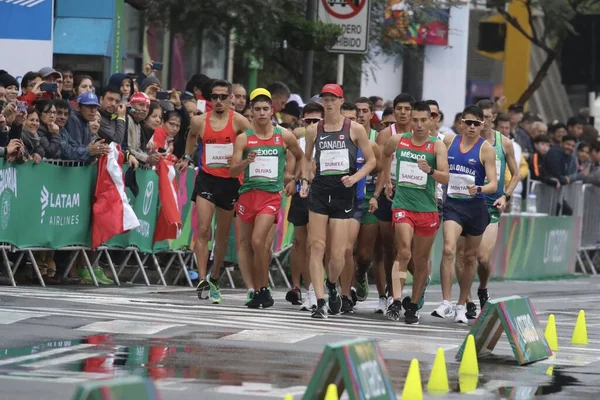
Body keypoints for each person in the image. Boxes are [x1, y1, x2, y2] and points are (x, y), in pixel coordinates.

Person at [301, 83, 376, 319]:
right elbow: (306, 158)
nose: (329, 102)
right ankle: (320, 301)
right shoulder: (314, 130)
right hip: (321, 189)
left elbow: (372, 161)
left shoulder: (354, 129)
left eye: (333, 98)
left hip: (344, 191)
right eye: (325, 98)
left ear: (341, 101)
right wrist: (305, 180)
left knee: (338, 254)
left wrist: (355, 177)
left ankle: (332, 285)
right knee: (316, 246)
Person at [176, 80, 251, 304]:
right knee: (203, 230)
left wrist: (239, 156)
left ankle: (215, 275)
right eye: (214, 97)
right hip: (206, 180)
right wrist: (187, 157)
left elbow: (255, 141)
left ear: (230, 98)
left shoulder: (239, 121)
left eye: (222, 96)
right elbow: (190, 137)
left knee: (220, 236)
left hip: (230, 182)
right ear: (210, 100)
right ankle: (201, 278)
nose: (218, 101)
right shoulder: (199, 121)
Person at [230, 88, 303, 308]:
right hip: (247, 195)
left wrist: (294, 181)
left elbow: (303, 158)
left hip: (271, 197)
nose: (262, 113)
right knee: (246, 244)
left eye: (265, 109)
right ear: (251, 112)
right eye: (257, 109)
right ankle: (256, 289)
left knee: (258, 241)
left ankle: (263, 288)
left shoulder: (284, 135)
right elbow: (233, 170)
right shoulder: (244, 139)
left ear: (272, 111)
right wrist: (246, 162)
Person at [380, 102, 449, 324]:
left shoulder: (437, 146)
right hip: (403, 205)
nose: (419, 125)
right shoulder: (398, 140)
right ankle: (397, 300)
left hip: (427, 209)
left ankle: (413, 304)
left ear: (431, 120)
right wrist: (387, 182)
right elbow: (385, 154)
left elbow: (446, 177)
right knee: (403, 252)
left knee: (420, 261)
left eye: (423, 120)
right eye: (415, 120)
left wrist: (430, 171)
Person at [455, 99, 520, 319]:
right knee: (462, 254)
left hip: (490, 204)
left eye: (485, 117)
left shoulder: (504, 144)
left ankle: (482, 286)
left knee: (482, 257)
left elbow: (516, 173)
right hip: (464, 202)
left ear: (492, 118)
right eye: (476, 118)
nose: (479, 122)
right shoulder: (463, 140)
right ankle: (467, 299)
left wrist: (505, 195)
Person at [432, 105, 497, 323]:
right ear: (461, 123)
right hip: (453, 205)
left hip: (476, 207)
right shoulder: (449, 142)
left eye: (476, 124)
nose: (471, 127)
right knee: (449, 249)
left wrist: (479, 189)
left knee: (470, 258)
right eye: (467, 122)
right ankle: (446, 302)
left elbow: (494, 183)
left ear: (482, 126)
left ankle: (462, 304)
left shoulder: (486, 149)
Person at [371, 93, 414, 311]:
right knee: (389, 246)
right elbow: (380, 168)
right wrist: (378, 193)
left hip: (413, 194)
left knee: (405, 248)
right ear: (394, 110)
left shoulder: (421, 133)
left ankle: (405, 292)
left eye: (407, 109)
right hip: (390, 191)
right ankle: (389, 291)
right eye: (399, 109)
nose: (403, 113)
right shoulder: (385, 135)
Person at [338, 102, 381, 313]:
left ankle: (346, 292)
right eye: (345, 119)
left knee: (352, 251)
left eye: (352, 119)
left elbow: (379, 165)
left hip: (356, 201)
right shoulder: (328, 139)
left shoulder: (368, 144)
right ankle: (329, 289)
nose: (349, 123)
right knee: (330, 250)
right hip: (329, 201)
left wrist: (376, 190)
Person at [285, 102, 324, 310]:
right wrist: (295, 179)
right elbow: (288, 173)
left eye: (316, 121)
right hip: (302, 193)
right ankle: (301, 286)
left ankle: (314, 290)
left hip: (323, 194)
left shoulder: (329, 141)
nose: (311, 125)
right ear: (302, 121)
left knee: (314, 244)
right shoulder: (298, 143)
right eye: (308, 121)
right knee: (300, 243)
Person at [353, 97, 382, 305]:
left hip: (369, 197)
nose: (361, 114)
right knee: (345, 249)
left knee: (364, 254)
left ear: (371, 114)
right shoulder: (346, 134)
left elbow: (383, 169)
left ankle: (361, 272)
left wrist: (376, 195)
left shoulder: (377, 138)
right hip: (348, 197)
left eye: (365, 111)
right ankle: (346, 291)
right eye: (357, 111)